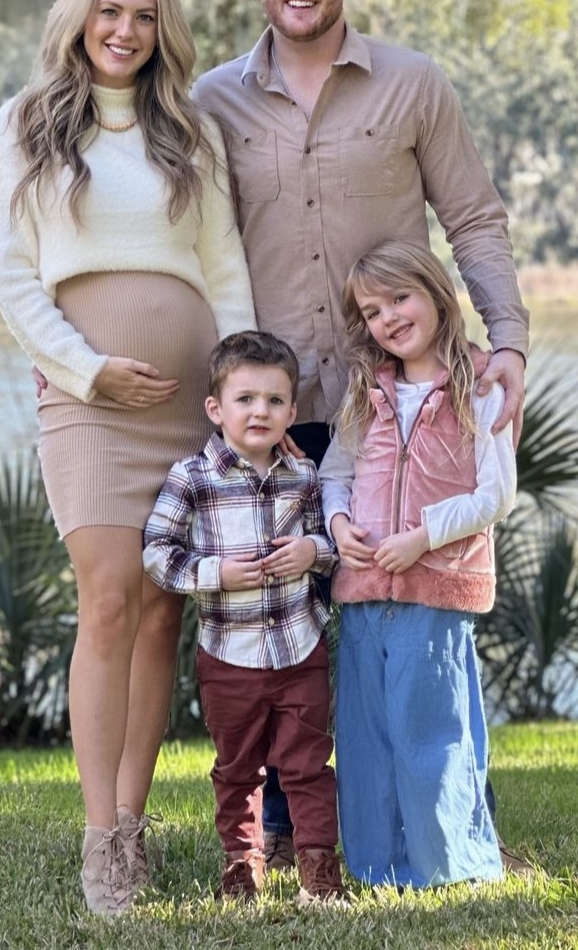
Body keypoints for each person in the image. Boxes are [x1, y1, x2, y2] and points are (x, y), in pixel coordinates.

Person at [192, 0, 531, 871]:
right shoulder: (211, 101)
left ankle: (444, 813)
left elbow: (473, 219)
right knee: (282, 622)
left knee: (417, 609)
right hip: (274, 411)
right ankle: (292, 829)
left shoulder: (413, 84)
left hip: (399, 403)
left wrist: (507, 338)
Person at [0, 0, 256, 916]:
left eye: (143, 15)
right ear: (80, 16)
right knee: (106, 599)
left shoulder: (191, 130)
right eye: (109, 11)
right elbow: (13, 275)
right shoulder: (24, 124)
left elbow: (224, 267)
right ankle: (99, 837)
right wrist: (88, 367)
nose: (125, 31)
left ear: (161, 28)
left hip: (187, 404)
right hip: (86, 400)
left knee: (160, 611)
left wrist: (237, 394)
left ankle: (135, 823)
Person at [319, 238, 517, 887]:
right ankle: (378, 868)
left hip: (435, 587)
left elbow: (495, 495)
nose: (389, 319)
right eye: (372, 311)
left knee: (430, 730)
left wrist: (422, 538)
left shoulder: (479, 386)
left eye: (399, 298)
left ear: (435, 293)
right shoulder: (366, 391)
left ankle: (447, 863)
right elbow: (336, 474)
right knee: (367, 734)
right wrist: (339, 524)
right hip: (364, 588)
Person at [142, 331, 345, 905]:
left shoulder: (303, 476)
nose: (261, 411)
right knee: (237, 768)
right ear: (216, 409)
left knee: (308, 763)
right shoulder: (193, 478)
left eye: (275, 401)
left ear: (292, 412)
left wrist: (311, 552)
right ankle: (242, 864)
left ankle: (318, 871)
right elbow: (156, 552)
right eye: (246, 399)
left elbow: (329, 542)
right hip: (229, 657)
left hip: (300, 648)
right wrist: (216, 574)